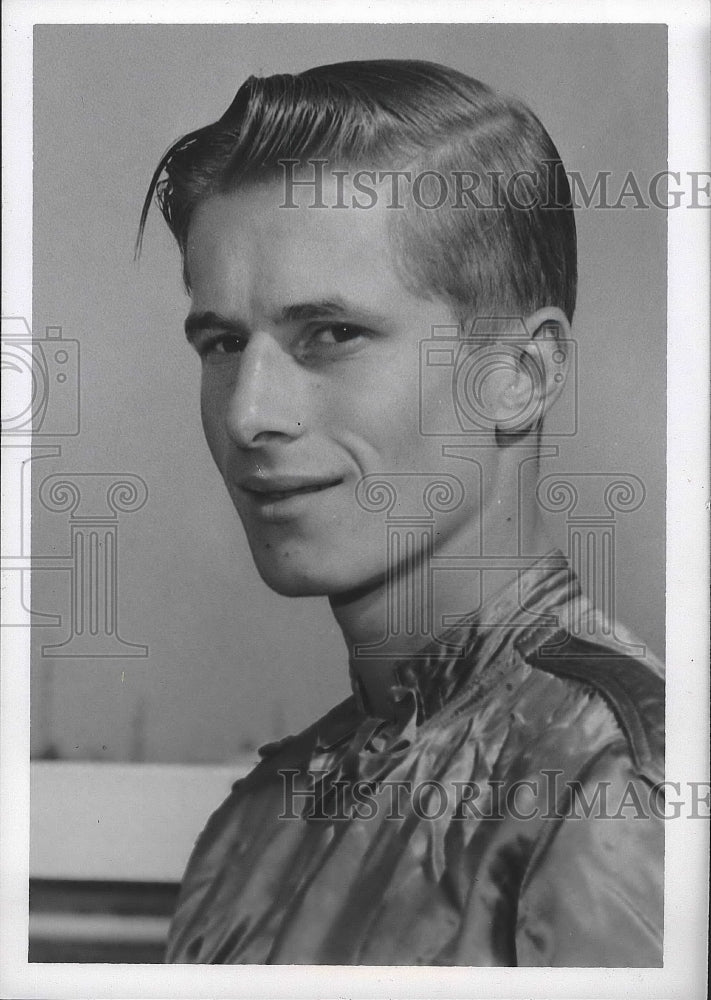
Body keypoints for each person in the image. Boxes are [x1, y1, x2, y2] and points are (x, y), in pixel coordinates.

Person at [139, 59, 664, 966]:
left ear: (519, 375)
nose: (246, 413)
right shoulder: (250, 827)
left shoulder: (617, 781)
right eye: (223, 343)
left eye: (331, 334)